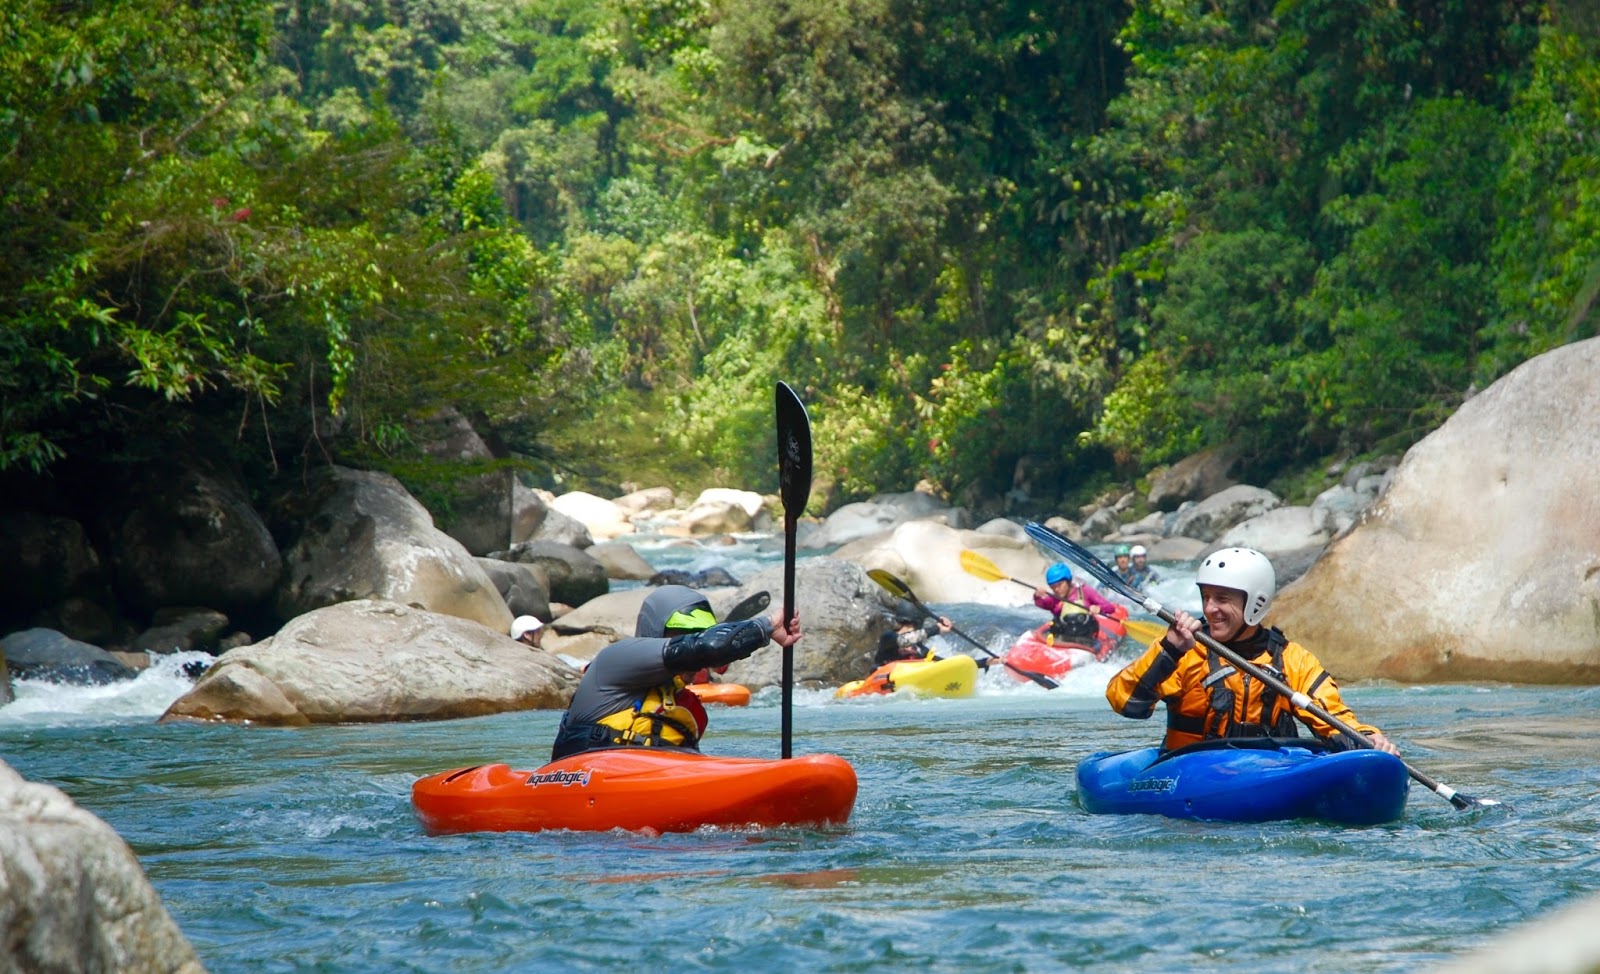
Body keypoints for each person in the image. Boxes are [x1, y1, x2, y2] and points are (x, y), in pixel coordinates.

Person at [1105, 547, 1400, 755]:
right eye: (1206, 597)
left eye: (1222, 598)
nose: (1210, 609)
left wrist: (1366, 738)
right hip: (1192, 771)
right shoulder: (1184, 649)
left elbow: (1332, 715)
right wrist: (1169, 651)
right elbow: (1125, 703)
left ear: (1255, 603)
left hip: (1266, 772)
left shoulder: (1292, 659)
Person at [550, 585, 801, 760]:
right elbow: (707, 647)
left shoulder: (684, 707)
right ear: (656, 632)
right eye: (683, 635)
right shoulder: (617, 659)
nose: (693, 647)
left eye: (700, 633)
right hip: (584, 781)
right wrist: (767, 626)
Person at [874, 610, 955, 668]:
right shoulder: (888, 637)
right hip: (882, 681)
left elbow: (941, 663)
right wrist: (937, 628)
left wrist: (954, 665)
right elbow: (905, 640)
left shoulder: (918, 648)